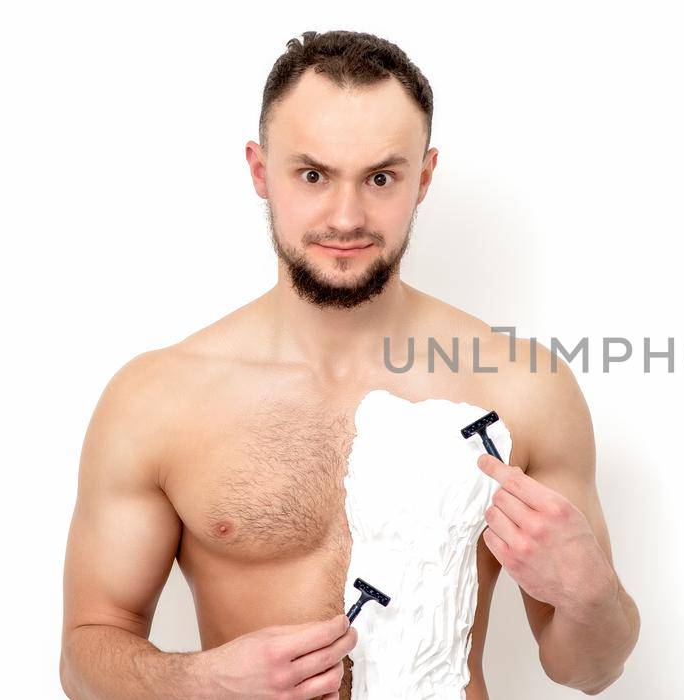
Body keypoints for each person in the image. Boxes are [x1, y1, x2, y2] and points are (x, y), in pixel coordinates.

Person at [59, 30, 639, 699]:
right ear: (259, 170)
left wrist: (594, 596)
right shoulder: (157, 399)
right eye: (312, 175)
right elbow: (85, 655)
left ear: (423, 178)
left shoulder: (523, 388)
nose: (346, 215)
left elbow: (588, 669)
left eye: (381, 178)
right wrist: (196, 678)